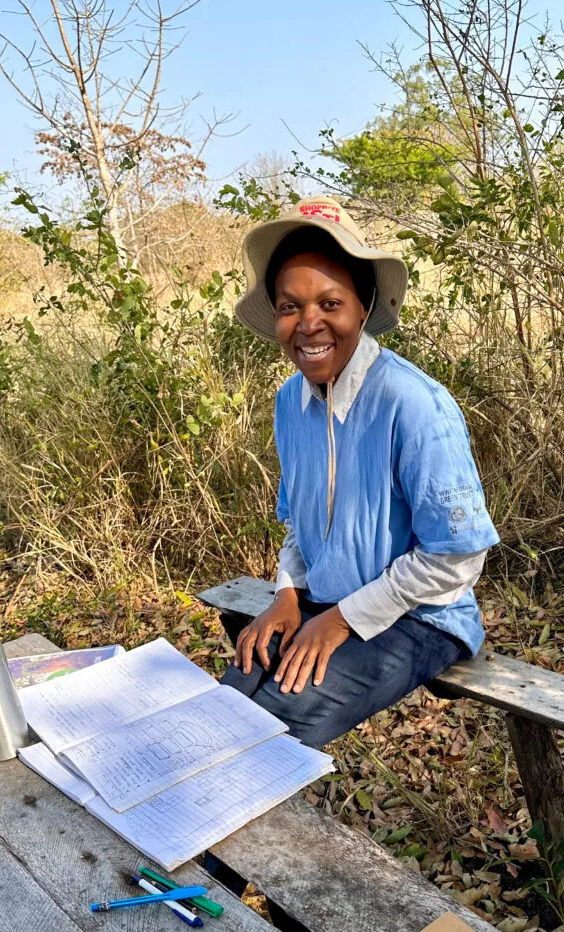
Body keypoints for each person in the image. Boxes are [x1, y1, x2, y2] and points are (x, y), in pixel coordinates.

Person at [223, 195, 500, 750]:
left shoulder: (413, 404)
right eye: (288, 307)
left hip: (421, 618)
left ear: (363, 305)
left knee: (278, 725)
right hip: (328, 601)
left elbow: (458, 555)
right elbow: (301, 524)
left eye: (330, 303)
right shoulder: (289, 403)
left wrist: (344, 618)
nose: (308, 325)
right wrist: (288, 594)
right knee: (230, 698)